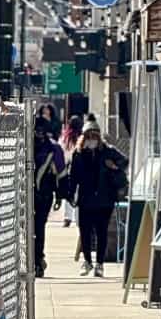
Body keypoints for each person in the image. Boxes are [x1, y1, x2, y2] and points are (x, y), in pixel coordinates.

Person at [66, 118, 128, 279]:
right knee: (85, 232)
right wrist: (70, 194)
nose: (92, 140)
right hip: (86, 199)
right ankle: (87, 260)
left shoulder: (107, 151)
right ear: (84, 137)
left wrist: (113, 167)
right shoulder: (78, 154)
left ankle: (99, 263)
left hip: (104, 199)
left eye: (95, 136)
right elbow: (73, 177)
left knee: (102, 233)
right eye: (89, 136)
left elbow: (124, 161)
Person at [33, 116, 67, 279]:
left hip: (44, 194)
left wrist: (60, 196)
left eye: (41, 130)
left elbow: (61, 174)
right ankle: (35, 258)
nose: (38, 133)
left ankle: (38, 259)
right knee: (33, 228)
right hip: (30, 194)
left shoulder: (53, 148)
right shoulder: (25, 145)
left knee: (38, 227)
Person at [60, 114, 84, 227]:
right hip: (81, 168)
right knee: (79, 194)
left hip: (68, 167)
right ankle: (79, 219)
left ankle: (67, 218)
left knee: (69, 193)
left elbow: (63, 152)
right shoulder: (83, 137)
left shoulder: (66, 137)